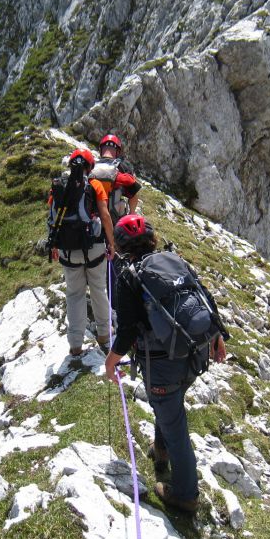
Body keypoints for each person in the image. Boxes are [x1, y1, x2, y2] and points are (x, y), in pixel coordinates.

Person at [103, 214, 227, 513]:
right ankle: (161, 452)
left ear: (121, 247)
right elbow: (204, 295)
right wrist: (218, 334)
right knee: (169, 407)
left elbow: (128, 329)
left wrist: (110, 362)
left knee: (175, 426)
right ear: (153, 239)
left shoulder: (128, 276)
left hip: (162, 363)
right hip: (195, 352)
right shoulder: (173, 259)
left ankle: (185, 494)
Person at [47, 148, 117, 355]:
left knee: (74, 295)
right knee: (98, 290)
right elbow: (105, 216)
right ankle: (104, 336)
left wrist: (54, 245)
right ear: (90, 167)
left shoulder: (57, 186)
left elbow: (51, 218)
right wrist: (111, 244)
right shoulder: (94, 185)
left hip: (68, 251)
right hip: (94, 247)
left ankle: (75, 345)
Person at [90, 133, 141, 224]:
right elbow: (133, 190)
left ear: (101, 149)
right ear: (118, 151)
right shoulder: (123, 166)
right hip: (114, 220)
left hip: (92, 218)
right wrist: (132, 212)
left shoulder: (92, 166)